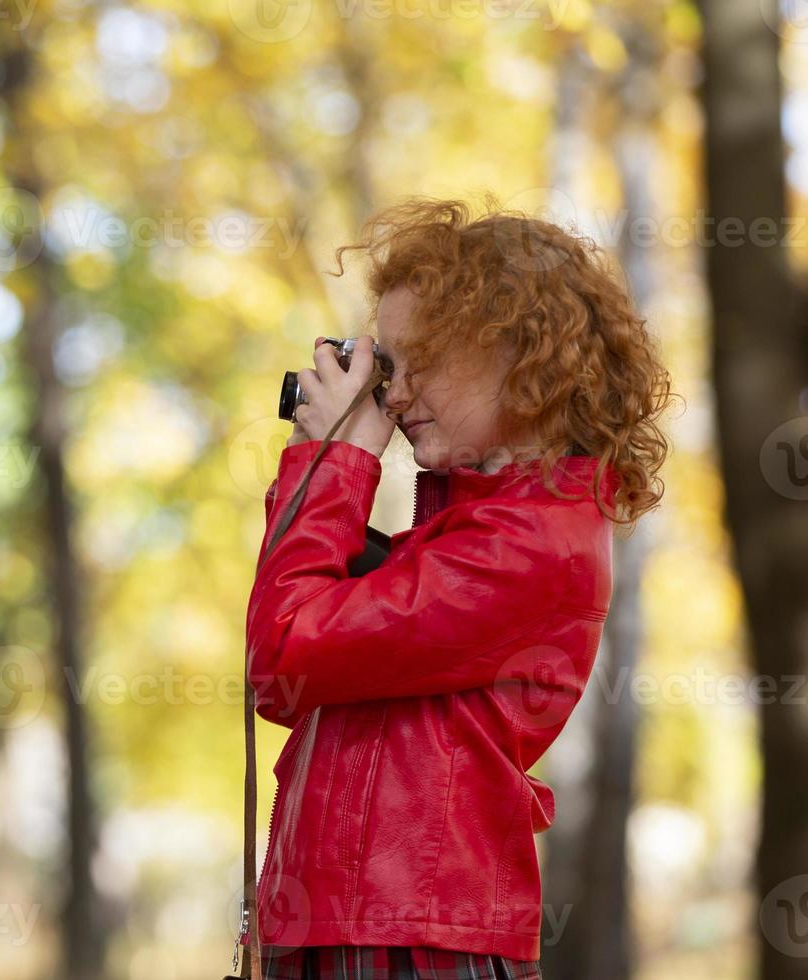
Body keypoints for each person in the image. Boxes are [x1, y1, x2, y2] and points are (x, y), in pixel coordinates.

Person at [245, 198, 674, 979]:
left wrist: (330, 465)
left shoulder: (533, 545)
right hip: (353, 928)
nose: (393, 394)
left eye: (413, 362)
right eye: (386, 368)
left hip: (414, 942)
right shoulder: (469, 536)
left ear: (520, 352)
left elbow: (284, 656)